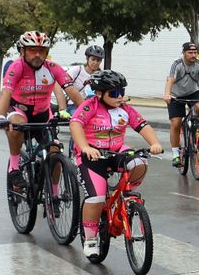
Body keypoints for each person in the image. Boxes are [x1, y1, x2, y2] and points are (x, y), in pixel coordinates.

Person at [69, 70, 164, 260]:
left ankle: (126, 197)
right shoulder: (90, 106)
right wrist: (85, 147)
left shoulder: (125, 108)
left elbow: (142, 125)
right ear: (99, 93)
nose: (119, 96)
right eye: (113, 93)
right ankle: (90, 239)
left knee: (139, 162)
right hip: (92, 156)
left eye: (121, 91)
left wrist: (154, 143)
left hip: (115, 150)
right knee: (96, 197)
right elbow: (75, 125)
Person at [0, 31, 85, 190]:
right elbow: (6, 92)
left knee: (55, 152)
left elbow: (71, 90)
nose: (37, 55)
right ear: (23, 51)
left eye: (42, 51)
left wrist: (88, 113)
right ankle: (14, 168)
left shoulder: (52, 68)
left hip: (42, 113)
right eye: (32, 50)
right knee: (17, 124)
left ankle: (55, 193)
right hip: (19, 109)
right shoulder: (16, 67)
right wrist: (1, 116)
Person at [163, 41, 199, 168]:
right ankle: (175, 154)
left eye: (195, 52)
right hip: (176, 95)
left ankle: (197, 129)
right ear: (184, 53)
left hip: (193, 93)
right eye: (190, 53)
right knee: (176, 123)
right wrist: (167, 94)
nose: (193, 55)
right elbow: (170, 79)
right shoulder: (177, 64)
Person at [65, 45, 104, 110]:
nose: (95, 62)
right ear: (87, 58)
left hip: (93, 106)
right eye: (93, 59)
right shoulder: (78, 69)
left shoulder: (100, 75)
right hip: (74, 105)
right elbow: (63, 82)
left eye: (98, 60)